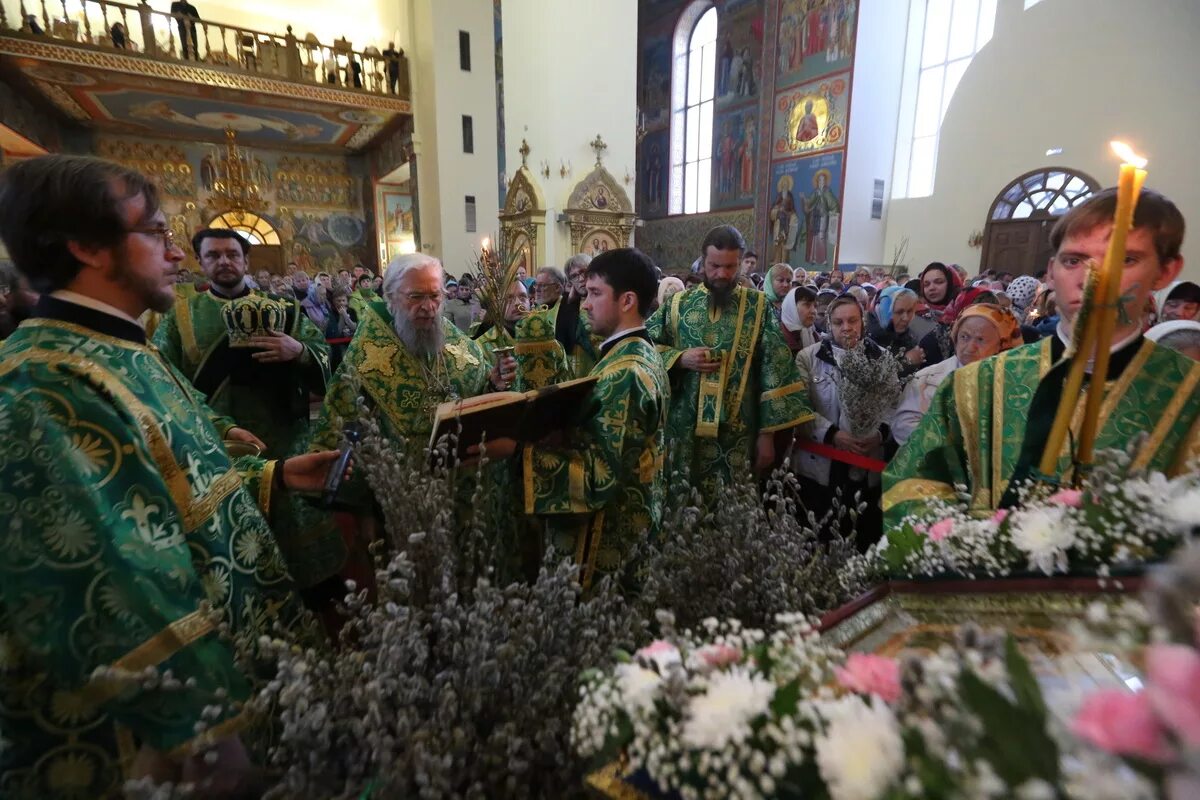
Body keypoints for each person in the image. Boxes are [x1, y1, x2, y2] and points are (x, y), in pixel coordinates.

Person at [0, 155, 346, 797]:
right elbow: (100, 581)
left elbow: (174, 487)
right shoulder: (42, 384)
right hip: (156, 736)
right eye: (156, 234)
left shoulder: (122, 350)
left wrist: (271, 476)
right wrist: (204, 728)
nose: (178, 255)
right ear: (86, 246)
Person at [884, 188, 1200, 529]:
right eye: (1074, 260)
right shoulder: (977, 383)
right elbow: (910, 485)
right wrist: (964, 544)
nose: (1093, 279)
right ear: (1051, 272)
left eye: (1124, 259)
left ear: (1166, 272)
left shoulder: (1190, 394)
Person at [480, 248, 669, 591]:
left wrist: (516, 450)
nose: (584, 304)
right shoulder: (639, 352)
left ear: (627, 300)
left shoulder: (626, 373)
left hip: (607, 541)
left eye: (595, 294)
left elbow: (600, 477)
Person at [310, 254, 512, 499]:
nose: (428, 307)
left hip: (465, 490)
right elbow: (341, 435)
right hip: (403, 498)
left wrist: (494, 384)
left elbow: (477, 401)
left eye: (435, 295)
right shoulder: (365, 357)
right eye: (416, 296)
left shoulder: (458, 342)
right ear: (392, 298)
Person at [647, 225, 812, 498]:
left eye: (730, 267)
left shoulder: (758, 307)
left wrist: (767, 435)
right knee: (682, 501)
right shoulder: (677, 304)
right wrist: (678, 358)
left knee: (731, 508)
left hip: (737, 434)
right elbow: (643, 346)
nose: (722, 274)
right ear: (702, 261)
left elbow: (775, 371)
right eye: (714, 266)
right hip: (683, 431)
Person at [153, 229, 331, 459]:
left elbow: (324, 352)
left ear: (246, 262)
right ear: (200, 262)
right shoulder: (180, 316)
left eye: (232, 255)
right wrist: (220, 427)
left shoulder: (286, 309)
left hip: (285, 436)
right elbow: (163, 378)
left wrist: (300, 351)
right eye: (213, 256)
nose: (224, 261)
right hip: (213, 438)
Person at [792, 295, 893, 548]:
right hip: (821, 463)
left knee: (860, 536)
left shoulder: (881, 358)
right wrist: (831, 433)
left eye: (852, 320)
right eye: (838, 322)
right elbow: (799, 407)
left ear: (863, 322)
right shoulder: (809, 358)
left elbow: (894, 405)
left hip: (865, 459)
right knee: (819, 537)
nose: (846, 327)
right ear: (828, 324)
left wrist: (879, 434)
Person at [890, 304, 1023, 446]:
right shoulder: (926, 379)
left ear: (1001, 344)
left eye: (980, 340)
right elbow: (903, 425)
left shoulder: (1016, 384)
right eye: (965, 337)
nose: (970, 347)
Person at [869, 286, 925, 377]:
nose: (906, 318)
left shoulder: (910, 337)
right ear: (883, 312)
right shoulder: (868, 341)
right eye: (899, 312)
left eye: (910, 311)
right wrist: (906, 363)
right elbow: (875, 381)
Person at [779, 285, 820, 353]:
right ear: (792, 307)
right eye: (807, 305)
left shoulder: (813, 334)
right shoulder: (778, 338)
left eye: (815, 306)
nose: (813, 311)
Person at [325, 289, 358, 369]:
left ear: (347, 301)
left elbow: (355, 328)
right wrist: (341, 317)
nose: (341, 303)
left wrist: (345, 316)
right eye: (338, 301)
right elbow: (337, 332)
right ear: (333, 301)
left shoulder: (352, 311)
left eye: (343, 300)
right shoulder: (331, 313)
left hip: (352, 342)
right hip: (339, 345)